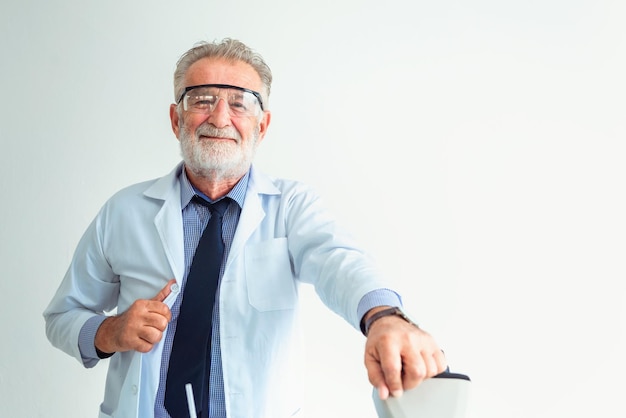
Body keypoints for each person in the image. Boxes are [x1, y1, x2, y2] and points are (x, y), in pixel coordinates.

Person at [43, 38, 448, 418]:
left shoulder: (291, 207)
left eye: (240, 103)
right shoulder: (123, 211)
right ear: (175, 118)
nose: (220, 118)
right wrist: (110, 331)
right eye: (202, 100)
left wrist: (384, 317)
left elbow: (339, 260)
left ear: (263, 125)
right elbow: (62, 315)